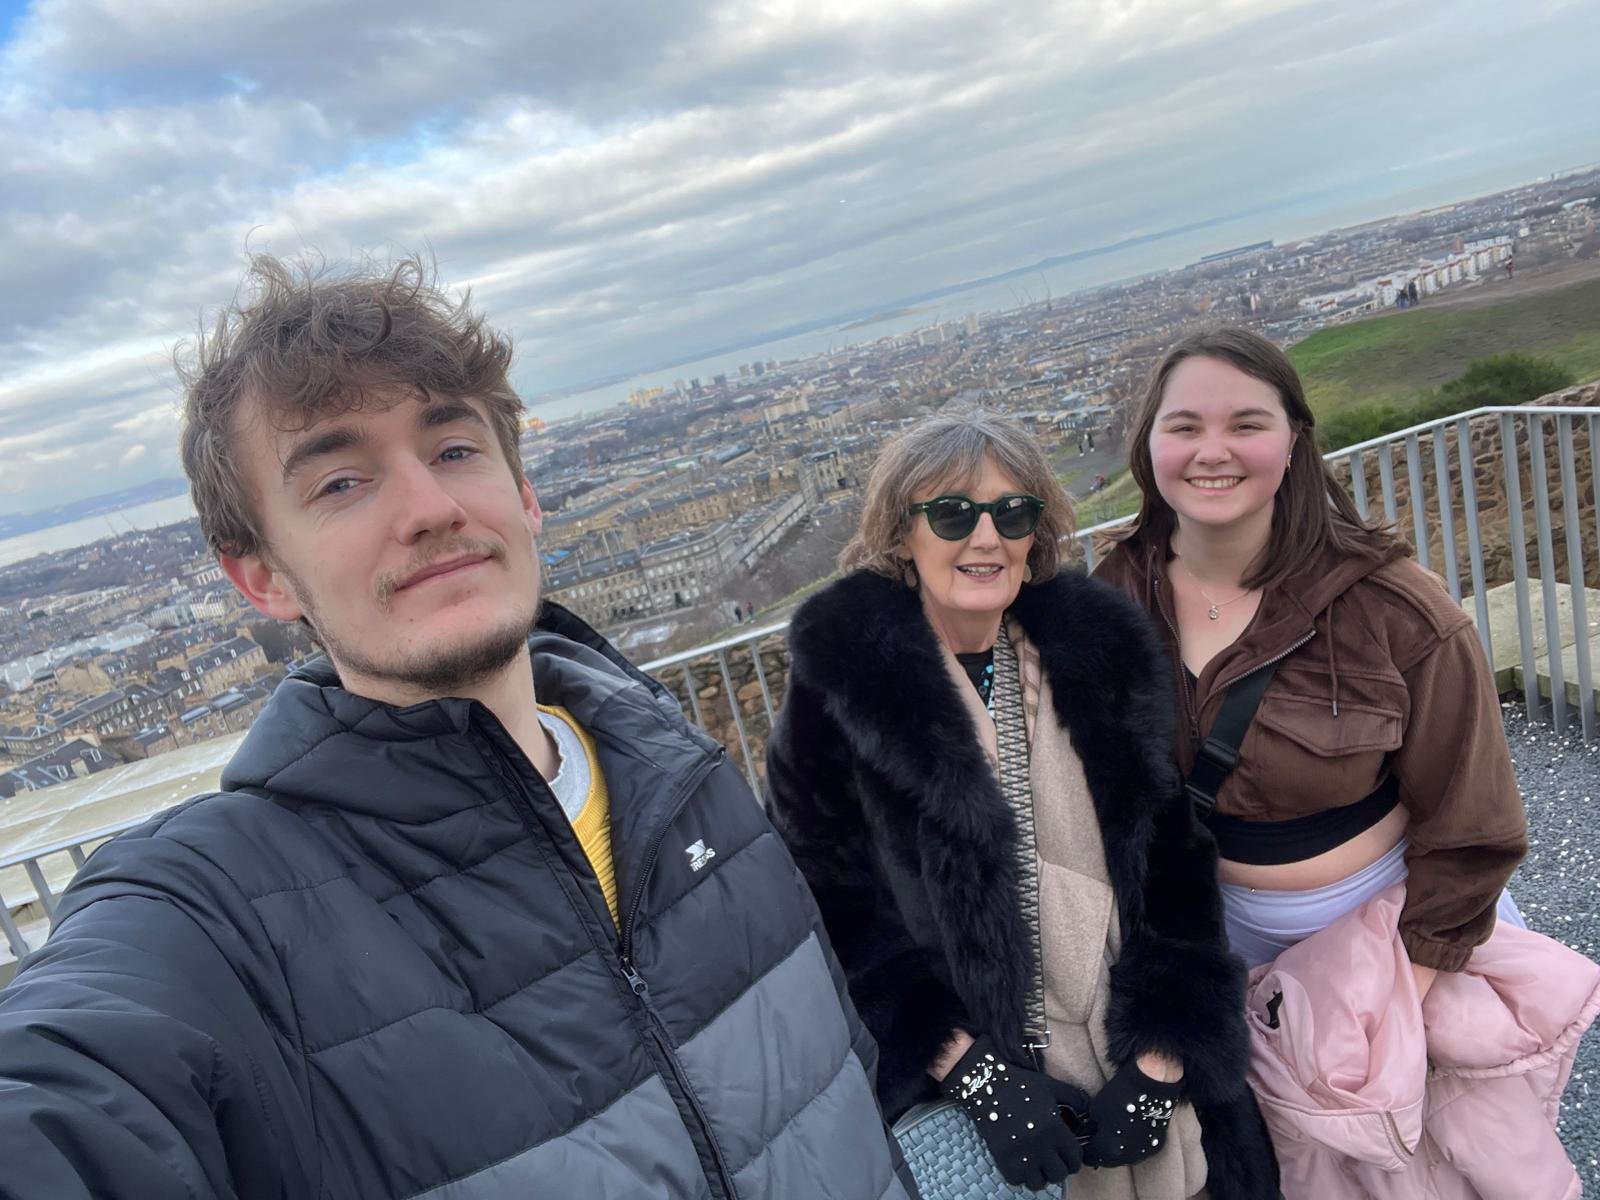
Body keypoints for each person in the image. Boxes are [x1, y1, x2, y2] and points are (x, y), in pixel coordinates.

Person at [0, 256, 917, 1200]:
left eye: (453, 450)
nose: (430, 508)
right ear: (262, 579)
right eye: (342, 483)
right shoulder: (213, 916)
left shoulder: (685, 774)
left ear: (524, 495)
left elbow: (842, 1086)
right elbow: (64, 1096)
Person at [765, 409, 1280, 1199]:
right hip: (980, 1105)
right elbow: (828, 914)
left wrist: (1161, 1059)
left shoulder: (1100, 655)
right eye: (951, 513)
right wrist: (972, 1075)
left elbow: (1173, 864)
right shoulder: (841, 694)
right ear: (901, 536)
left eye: (1012, 512)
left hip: (1152, 1086)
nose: (986, 537)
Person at [1092, 325, 1528, 985]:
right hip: (1219, 940)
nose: (1213, 452)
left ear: (1294, 439)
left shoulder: (1394, 609)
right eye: (1184, 427)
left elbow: (1473, 822)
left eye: (1246, 424)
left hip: (1393, 929)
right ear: (1149, 445)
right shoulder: (1111, 603)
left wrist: (1407, 989)